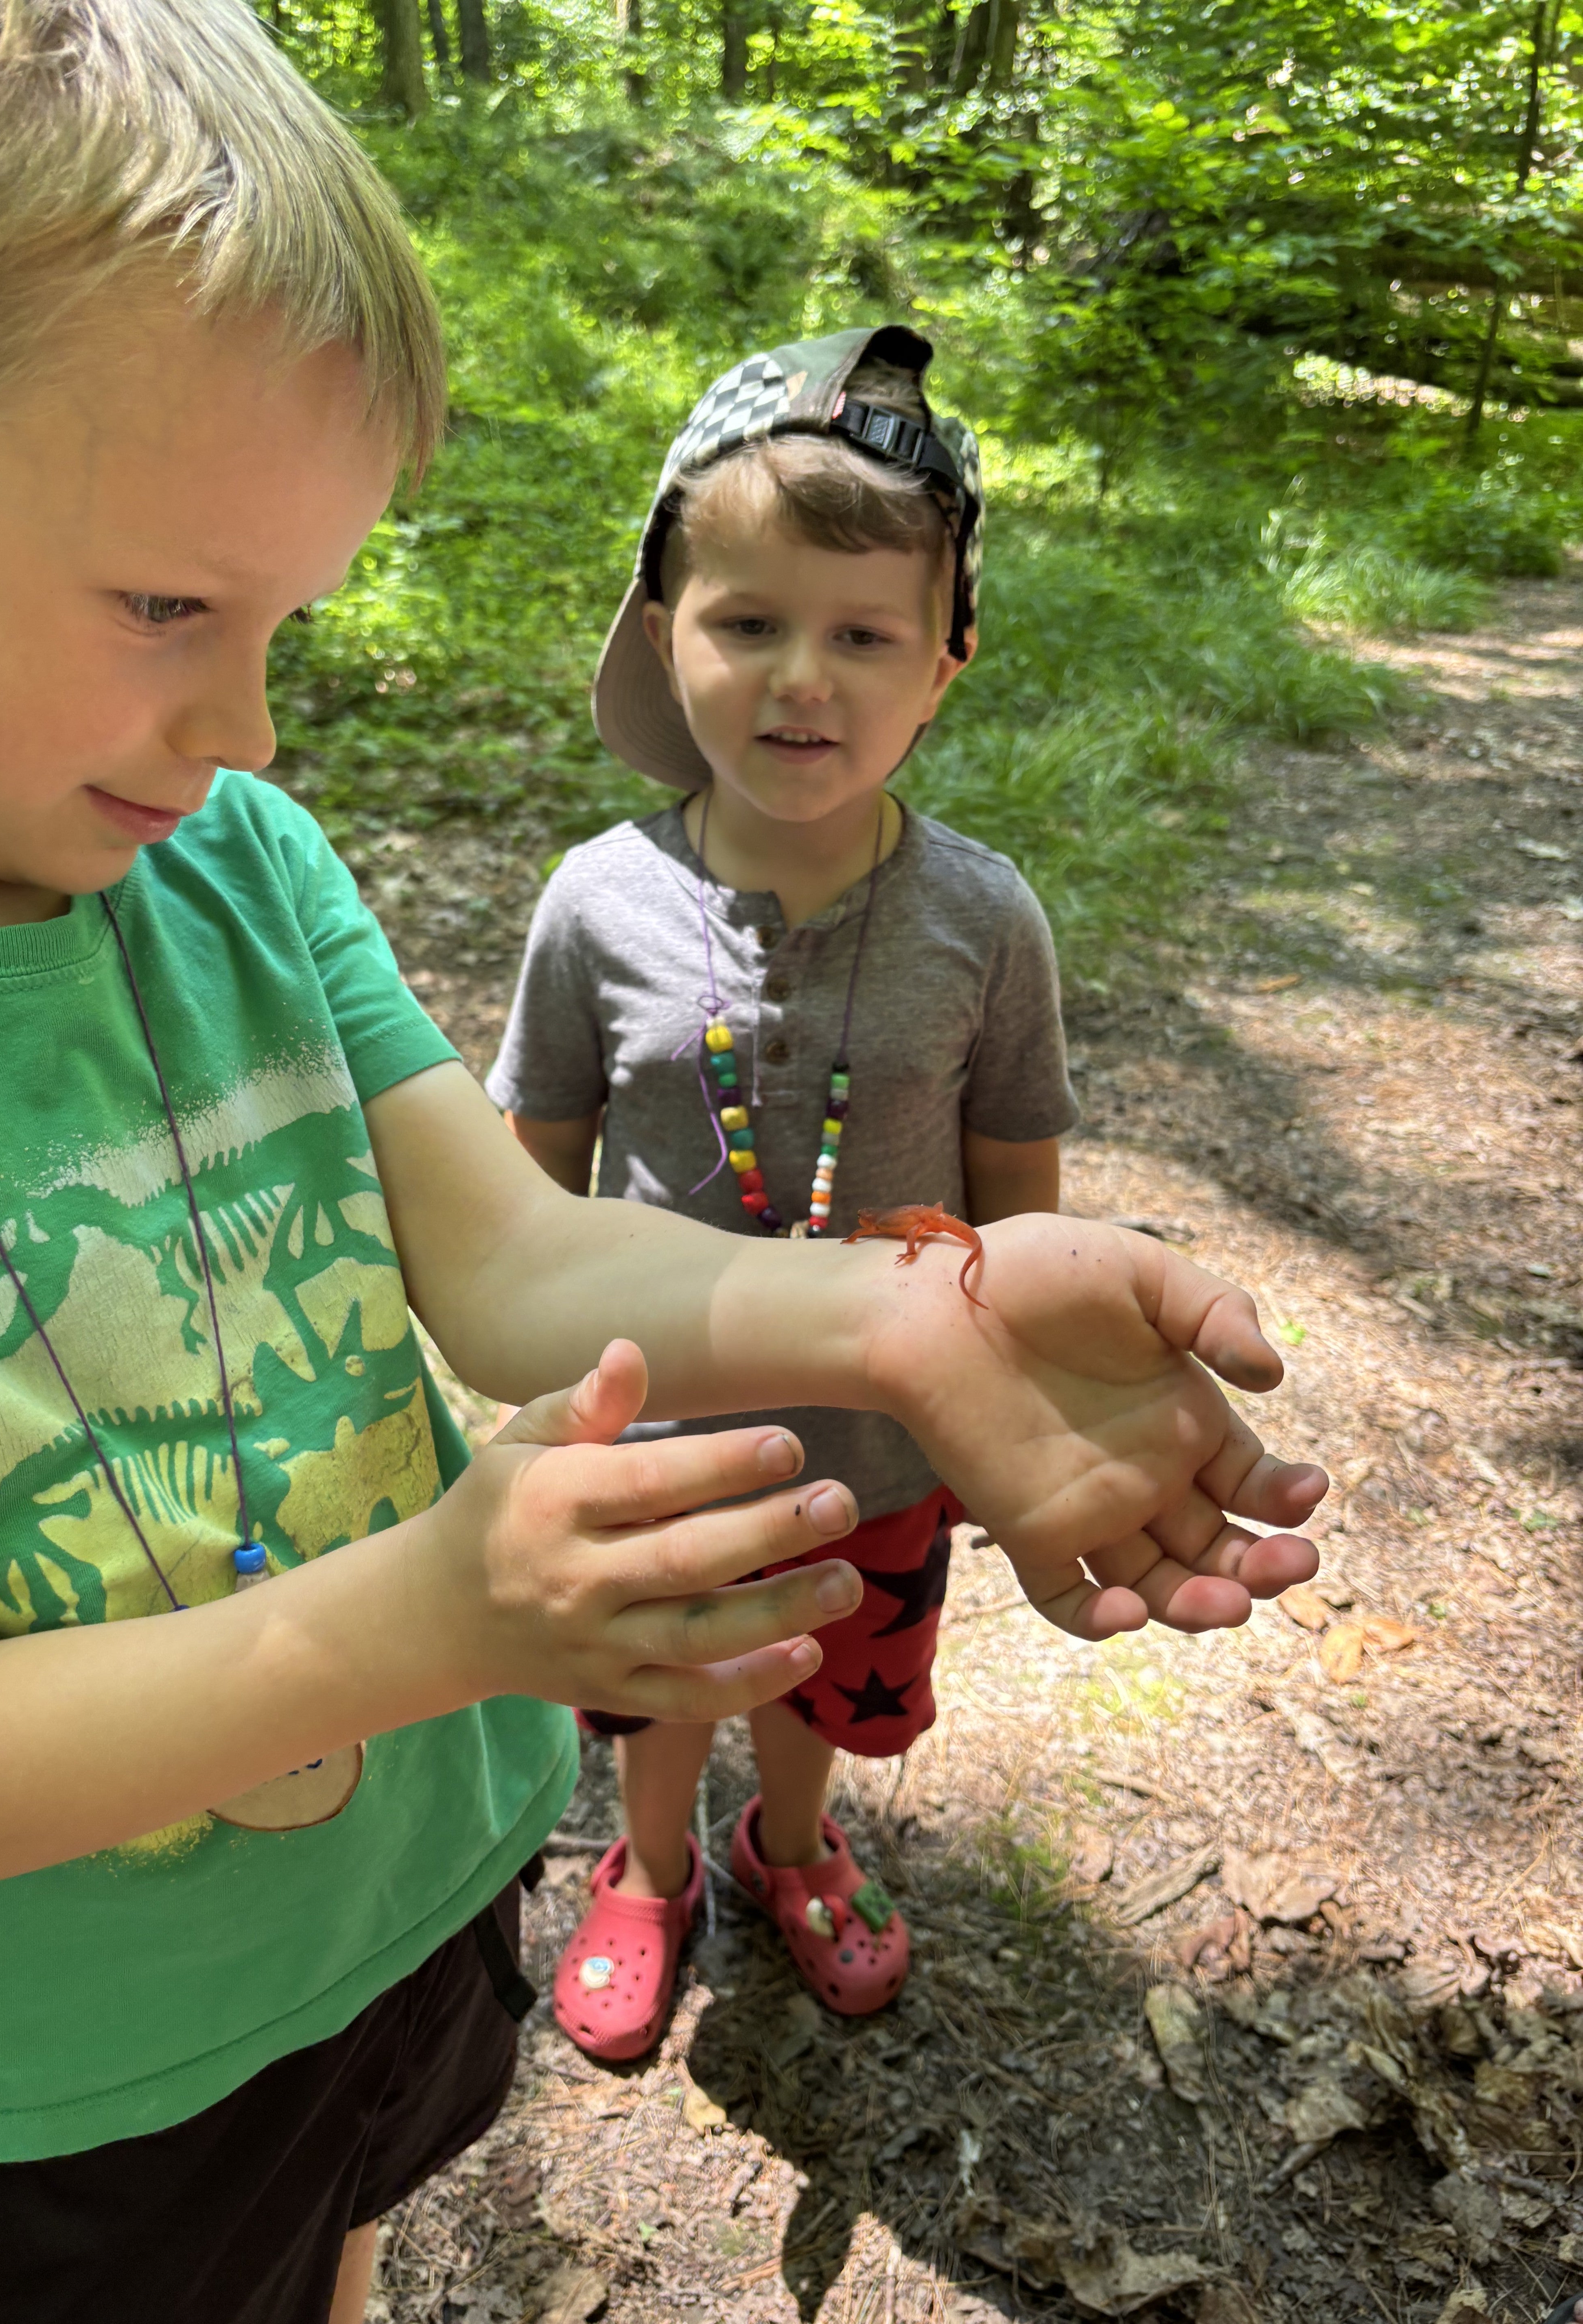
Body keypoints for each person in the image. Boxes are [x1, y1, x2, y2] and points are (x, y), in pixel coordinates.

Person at [0, 9, 1325, 2320]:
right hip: (99, 2068)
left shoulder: (236, 863)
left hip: (416, 1883)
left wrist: (904, 1321)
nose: (242, 729)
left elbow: (515, 1255)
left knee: (340, 2245)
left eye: (283, 625)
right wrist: (419, 1619)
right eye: (164, 608)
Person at [484, 324, 1275, 2058]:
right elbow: (520, 1196)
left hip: (878, 1456)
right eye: (747, 622)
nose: (801, 681)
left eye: (863, 636)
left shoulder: (985, 925)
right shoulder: (594, 909)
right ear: (663, 633)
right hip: (655, 1438)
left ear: (946, 666)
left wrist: (1008, 1410)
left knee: (820, 1675)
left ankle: (791, 1840)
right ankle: (649, 1865)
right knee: (666, 1679)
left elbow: (1015, 1226)